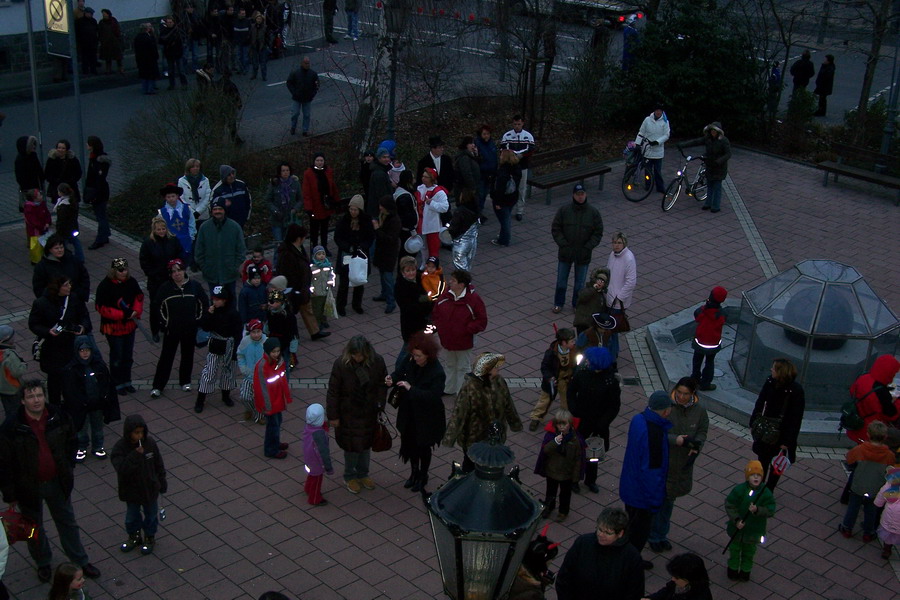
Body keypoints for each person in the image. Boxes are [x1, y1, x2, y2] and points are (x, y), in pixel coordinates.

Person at [0, 380, 101, 583]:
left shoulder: (59, 416)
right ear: (22, 401)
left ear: (44, 396)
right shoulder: (11, 427)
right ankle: (43, 562)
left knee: (67, 523)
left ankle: (80, 560)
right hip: (28, 487)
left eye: (39, 395)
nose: (36, 400)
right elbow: (4, 463)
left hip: (57, 482)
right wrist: (10, 494)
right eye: (30, 396)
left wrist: (68, 465)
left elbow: (72, 441)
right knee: (34, 528)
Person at [648, 378, 709, 553]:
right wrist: (677, 440)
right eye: (679, 392)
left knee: (669, 502)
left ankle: (660, 534)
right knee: (658, 501)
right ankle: (653, 535)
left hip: (681, 464)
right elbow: (656, 432)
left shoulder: (699, 411)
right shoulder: (666, 407)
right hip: (663, 462)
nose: (681, 397)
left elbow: (702, 431)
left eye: (686, 394)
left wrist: (697, 445)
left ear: (693, 394)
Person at [326, 335, 389, 494]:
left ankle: (363, 473)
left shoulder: (377, 362)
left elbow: (382, 384)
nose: (357, 358)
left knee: (366, 445)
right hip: (348, 413)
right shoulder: (341, 365)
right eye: (354, 354)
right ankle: (350, 476)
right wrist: (333, 416)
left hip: (368, 411)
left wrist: (380, 403)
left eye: (360, 355)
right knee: (351, 447)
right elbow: (333, 391)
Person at [619, 390, 673, 570]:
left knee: (630, 526)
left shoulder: (638, 419)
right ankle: (631, 563)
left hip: (630, 486)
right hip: (642, 496)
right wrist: (654, 501)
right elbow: (652, 472)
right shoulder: (655, 433)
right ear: (666, 411)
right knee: (639, 533)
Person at [386, 331, 446, 492]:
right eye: (414, 355)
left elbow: (433, 396)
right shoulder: (410, 360)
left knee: (423, 446)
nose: (415, 358)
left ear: (428, 355)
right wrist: (392, 379)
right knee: (410, 443)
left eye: (419, 356)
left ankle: (423, 475)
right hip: (410, 412)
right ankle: (414, 472)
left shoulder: (437, 372)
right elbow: (399, 373)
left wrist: (411, 389)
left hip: (427, 416)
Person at [443, 352, 522, 471]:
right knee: (470, 467)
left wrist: (515, 423)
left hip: (496, 437)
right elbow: (459, 414)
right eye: (495, 367)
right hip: (474, 439)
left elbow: (508, 404)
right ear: (487, 370)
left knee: (492, 466)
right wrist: (450, 438)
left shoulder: (499, 381)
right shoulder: (469, 388)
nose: (498, 369)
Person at [555, 507, 644, 600]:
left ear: (620, 533)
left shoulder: (632, 558)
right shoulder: (583, 543)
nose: (601, 535)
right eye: (600, 529)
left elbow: (634, 594)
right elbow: (564, 578)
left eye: (607, 532)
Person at [150, 259, 208, 398]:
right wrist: (165, 324)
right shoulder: (165, 288)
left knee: (187, 355)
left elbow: (203, 304)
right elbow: (157, 307)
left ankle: (185, 381)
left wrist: (197, 321)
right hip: (172, 330)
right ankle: (158, 386)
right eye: (173, 271)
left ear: (184, 270)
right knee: (166, 357)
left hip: (189, 329)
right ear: (170, 274)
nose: (177, 274)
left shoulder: (194, 286)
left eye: (179, 270)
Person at [110, 414, 167, 556]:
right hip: (132, 491)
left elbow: (158, 464)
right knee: (132, 516)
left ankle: (149, 537)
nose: (140, 436)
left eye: (142, 432)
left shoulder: (150, 444)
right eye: (136, 433)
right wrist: (135, 455)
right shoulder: (120, 448)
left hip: (149, 488)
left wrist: (162, 481)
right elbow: (122, 469)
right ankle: (134, 536)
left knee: (151, 515)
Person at [28, 276, 90, 406]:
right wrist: (47, 331)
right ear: (57, 287)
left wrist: (82, 327)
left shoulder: (73, 298)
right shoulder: (41, 303)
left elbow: (84, 316)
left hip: (71, 345)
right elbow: (34, 324)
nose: (69, 287)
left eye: (70, 284)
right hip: (52, 349)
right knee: (54, 382)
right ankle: (55, 409)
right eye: (66, 285)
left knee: (71, 380)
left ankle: (72, 406)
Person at [569, 346, 621, 494]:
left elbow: (614, 406)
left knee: (593, 456)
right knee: (577, 452)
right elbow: (571, 391)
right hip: (581, 420)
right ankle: (574, 480)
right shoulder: (582, 373)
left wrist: (603, 423)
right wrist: (574, 409)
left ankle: (590, 480)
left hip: (599, 425)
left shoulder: (611, 381)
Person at [749, 357, 805, 490]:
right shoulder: (770, 382)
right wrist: (754, 419)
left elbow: (795, 418)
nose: (771, 370)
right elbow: (761, 401)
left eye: (774, 368)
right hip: (766, 430)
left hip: (781, 433)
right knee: (763, 460)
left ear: (780, 372)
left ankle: (769, 489)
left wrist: (788, 441)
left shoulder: (795, 391)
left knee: (776, 464)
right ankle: (759, 485)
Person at [431, 269, 488, 396]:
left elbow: (482, 320)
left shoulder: (474, 300)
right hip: (448, 340)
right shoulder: (445, 296)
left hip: (464, 341)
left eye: (453, 280)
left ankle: (462, 392)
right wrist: (441, 327)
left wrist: (467, 330)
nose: (449, 282)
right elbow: (436, 313)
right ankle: (449, 389)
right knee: (450, 364)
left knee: (463, 366)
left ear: (461, 285)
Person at [61, 336, 117, 462]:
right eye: (82, 350)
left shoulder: (98, 365)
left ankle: (98, 447)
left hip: (96, 405)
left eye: (87, 350)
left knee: (98, 427)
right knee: (81, 428)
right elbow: (70, 391)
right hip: (81, 407)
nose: (85, 353)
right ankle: (81, 448)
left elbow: (106, 384)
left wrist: (103, 398)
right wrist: (80, 402)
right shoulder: (71, 369)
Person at [839, 420, 896, 542]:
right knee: (871, 510)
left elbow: (849, 460)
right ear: (885, 437)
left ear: (868, 434)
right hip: (875, 488)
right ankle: (868, 532)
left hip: (858, 485)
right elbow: (890, 471)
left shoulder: (859, 450)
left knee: (853, 507)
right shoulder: (889, 455)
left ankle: (847, 528)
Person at [551, 183, 604, 314]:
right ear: (573, 196)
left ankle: (576, 304)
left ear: (585, 195)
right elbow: (556, 229)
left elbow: (598, 232)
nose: (580, 197)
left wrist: (588, 247)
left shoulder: (593, 213)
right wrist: (563, 244)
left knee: (579, 284)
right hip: (566, 252)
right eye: (578, 195)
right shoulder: (564, 211)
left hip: (583, 254)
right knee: (561, 282)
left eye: (582, 194)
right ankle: (558, 303)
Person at [95, 258, 143, 396]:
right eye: (120, 270)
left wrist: (135, 311)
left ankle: (127, 381)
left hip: (129, 325)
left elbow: (139, 297)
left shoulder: (131, 282)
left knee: (128, 355)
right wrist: (123, 314)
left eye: (125, 269)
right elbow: (102, 308)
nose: (124, 272)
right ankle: (117, 383)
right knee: (117, 356)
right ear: (114, 271)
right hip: (113, 327)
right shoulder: (105, 286)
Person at [277, 224, 330, 341]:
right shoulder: (287, 254)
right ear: (298, 238)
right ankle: (292, 335)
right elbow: (288, 274)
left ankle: (315, 332)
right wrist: (296, 288)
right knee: (290, 313)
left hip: (301, 289)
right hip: (295, 290)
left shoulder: (297, 249)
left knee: (306, 309)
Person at [725, 460, 776, 581]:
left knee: (749, 553)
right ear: (748, 477)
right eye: (753, 475)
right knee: (734, 551)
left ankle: (745, 571)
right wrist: (736, 519)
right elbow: (730, 505)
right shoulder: (739, 490)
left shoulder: (766, 493)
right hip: (737, 530)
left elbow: (771, 510)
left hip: (754, 531)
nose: (756, 477)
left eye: (758, 475)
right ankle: (733, 569)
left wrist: (758, 509)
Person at [195, 285, 242, 413]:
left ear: (225, 300)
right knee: (209, 372)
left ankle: (225, 396)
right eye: (214, 299)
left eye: (218, 299)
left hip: (230, 346)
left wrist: (235, 351)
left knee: (228, 372)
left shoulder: (233, 313)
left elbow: (238, 333)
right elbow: (205, 327)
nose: (215, 302)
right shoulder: (211, 311)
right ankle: (200, 398)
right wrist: (208, 315)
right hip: (215, 344)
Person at [139, 216, 184, 341]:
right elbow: (144, 261)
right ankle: (155, 330)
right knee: (155, 306)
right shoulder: (148, 243)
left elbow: (180, 255)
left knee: (171, 304)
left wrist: (177, 267)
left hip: (171, 279)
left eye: (163, 229)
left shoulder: (173, 240)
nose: (162, 231)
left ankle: (168, 326)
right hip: (156, 281)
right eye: (159, 229)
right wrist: (152, 273)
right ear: (154, 230)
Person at [535, 409, 584, 522]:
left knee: (565, 494)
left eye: (564, 424)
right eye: (559, 424)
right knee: (550, 492)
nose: (561, 427)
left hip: (567, 473)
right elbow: (546, 450)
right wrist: (555, 442)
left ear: (570, 424)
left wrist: (575, 477)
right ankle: (549, 507)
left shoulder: (575, 439)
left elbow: (578, 459)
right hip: (552, 470)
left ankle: (563, 512)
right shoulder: (551, 436)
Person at [194, 196, 247, 300]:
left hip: (229, 274)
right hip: (211, 274)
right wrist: (205, 268)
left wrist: (234, 267)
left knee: (231, 301)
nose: (217, 211)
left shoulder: (235, 227)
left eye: (220, 209)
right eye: (215, 209)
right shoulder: (204, 227)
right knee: (214, 303)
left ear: (224, 210)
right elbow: (199, 250)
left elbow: (241, 250)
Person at [528, 328, 576, 432]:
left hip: (566, 380)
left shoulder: (574, 350)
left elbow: (577, 364)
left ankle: (564, 419)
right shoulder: (551, 353)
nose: (574, 343)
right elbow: (544, 367)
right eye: (572, 341)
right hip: (552, 381)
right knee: (545, 400)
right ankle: (536, 418)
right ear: (564, 342)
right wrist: (550, 377)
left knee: (566, 402)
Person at [334, 195, 375, 316]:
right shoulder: (343, 221)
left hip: (360, 255)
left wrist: (362, 247)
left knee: (359, 280)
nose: (352, 212)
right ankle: (341, 305)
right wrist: (347, 247)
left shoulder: (366, 221)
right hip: (346, 254)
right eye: (351, 209)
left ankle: (357, 304)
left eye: (355, 210)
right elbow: (338, 238)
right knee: (344, 282)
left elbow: (370, 237)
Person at [846, 354, 900, 444]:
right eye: (893, 373)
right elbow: (891, 415)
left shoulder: (863, 377)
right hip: (873, 430)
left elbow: (853, 391)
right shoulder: (881, 392)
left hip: (856, 424)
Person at [680, 122, 732, 213]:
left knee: (717, 186)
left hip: (719, 167)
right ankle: (708, 203)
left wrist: (719, 161)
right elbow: (696, 142)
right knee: (710, 185)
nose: (713, 132)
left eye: (715, 131)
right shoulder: (708, 139)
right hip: (710, 165)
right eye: (712, 130)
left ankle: (716, 206)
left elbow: (728, 154)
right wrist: (683, 145)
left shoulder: (724, 141)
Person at [254, 337, 292, 459]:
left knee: (277, 422)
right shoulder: (263, 366)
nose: (276, 354)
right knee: (273, 426)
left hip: (277, 399)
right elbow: (262, 388)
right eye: (274, 351)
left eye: (278, 351)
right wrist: (268, 406)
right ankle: (271, 450)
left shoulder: (277, 362)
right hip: (270, 402)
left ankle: (274, 443)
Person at [394, 256, 430, 369]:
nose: (411, 273)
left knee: (421, 346)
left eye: (413, 270)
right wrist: (424, 300)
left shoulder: (422, 278)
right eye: (408, 271)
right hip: (411, 325)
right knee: (408, 349)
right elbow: (408, 308)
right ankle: (398, 371)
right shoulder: (400, 286)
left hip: (424, 322)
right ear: (402, 272)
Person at [605, 232, 637, 362]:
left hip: (617, 302)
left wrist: (619, 297)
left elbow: (631, 282)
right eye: (614, 242)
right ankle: (614, 352)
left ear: (624, 244)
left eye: (619, 243)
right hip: (609, 297)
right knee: (613, 330)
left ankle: (612, 358)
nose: (616, 245)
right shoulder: (612, 255)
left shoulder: (629, 258)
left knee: (611, 330)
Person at [32, 234, 90, 302]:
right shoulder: (42, 266)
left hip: (76, 299)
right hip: (54, 302)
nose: (60, 250)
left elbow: (84, 275)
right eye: (56, 248)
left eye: (61, 247)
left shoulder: (72, 259)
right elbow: (38, 287)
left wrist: (82, 294)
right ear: (49, 249)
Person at [690, 286, 727, 391]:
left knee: (697, 361)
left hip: (700, 342)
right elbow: (723, 320)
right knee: (710, 363)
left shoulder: (702, 311)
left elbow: (696, 316)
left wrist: (706, 306)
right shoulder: (722, 314)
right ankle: (705, 384)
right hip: (713, 344)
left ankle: (694, 379)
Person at [501, 115, 535, 221]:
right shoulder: (507, 135)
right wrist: (512, 156)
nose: (517, 126)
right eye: (515, 124)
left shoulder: (528, 136)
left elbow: (531, 149)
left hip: (523, 166)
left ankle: (520, 210)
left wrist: (520, 155)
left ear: (522, 123)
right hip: (510, 166)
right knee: (509, 187)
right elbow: (503, 148)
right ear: (512, 124)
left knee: (521, 188)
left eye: (519, 124)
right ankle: (508, 207)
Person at [302, 153, 338, 250]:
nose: (319, 162)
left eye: (321, 160)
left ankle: (324, 247)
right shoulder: (308, 173)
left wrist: (335, 201)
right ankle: (315, 248)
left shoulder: (328, 171)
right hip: (315, 206)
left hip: (326, 205)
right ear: (314, 161)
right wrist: (308, 207)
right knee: (314, 229)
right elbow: (306, 191)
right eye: (317, 160)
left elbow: (333, 187)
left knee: (325, 228)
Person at [373, 195, 402, 314]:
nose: (380, 208)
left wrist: (377, 229)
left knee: (387, 275)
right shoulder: (385, 216)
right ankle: (384, 294)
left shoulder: (394, 221)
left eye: (382, 206)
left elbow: (389, 239)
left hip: (388, 252)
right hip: (382, 251)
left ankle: (391, 301)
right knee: (382, 273)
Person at [641, 553, 712, 600]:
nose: (673, 579)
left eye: (677, 578)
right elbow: (667, 590)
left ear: (690, 579)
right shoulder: (681, 583)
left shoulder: (700, 597)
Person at [635, 103, 670, 194]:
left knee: (657, 171)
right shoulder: (647, 120)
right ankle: (648, 185)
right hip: (647, 150)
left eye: (660, 110)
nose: (658, 112)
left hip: (658, 151)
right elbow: (641, 132)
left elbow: (666, 135)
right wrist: (637, 144)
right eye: (657, 110)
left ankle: (660, 187)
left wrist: (657, 142)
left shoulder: (665, 122)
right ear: (654, 111)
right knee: (648, 170)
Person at [158, 182, 196, 264]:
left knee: (185, 263)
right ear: (165, 198)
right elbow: (160, 227)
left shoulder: (186, 208)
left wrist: (191, 236)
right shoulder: (162, 212)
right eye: (168, 197)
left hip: (185, 240)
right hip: (170, 242)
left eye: (173, 196)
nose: (171, 199)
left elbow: (191, 223)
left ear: (177, 196)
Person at [416, 167, 450, 259]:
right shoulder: (420, 188)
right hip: (421, 223)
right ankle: (424, 264)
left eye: (426, 177)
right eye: (423, 176)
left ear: (432, 179)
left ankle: (434, 267)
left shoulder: (439, 192)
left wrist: (431, 203)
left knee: (433, 249)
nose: (423, 178)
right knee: (423, 247)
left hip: (432, 225)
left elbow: (445, 207)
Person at [237, 319, 267, 423]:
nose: (256, 334)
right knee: (244, 396)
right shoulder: (245, 341)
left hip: (261, 377)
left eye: (258, 332)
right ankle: (250, 409)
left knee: (260, 397)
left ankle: (260, 415)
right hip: (248, 375)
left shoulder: (266, 342)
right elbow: (240, 355)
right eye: (253, 332)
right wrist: (243, 368)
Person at [303, 403, 334, 506]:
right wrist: (328, 467)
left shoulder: (309, 427)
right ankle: (315, 498)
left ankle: (308, 488)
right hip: (316, 462)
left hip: (308, 457)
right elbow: (323, 453)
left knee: (311, 475)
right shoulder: (319, 435)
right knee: (317, 479)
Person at [491, 148, 522, 247]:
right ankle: (503, 235)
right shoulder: (516, 168)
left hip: (503, 200)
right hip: (512, 197)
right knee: (506, 216)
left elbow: (499, 190)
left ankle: (504, 240)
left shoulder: (503, 172)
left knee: (505, 219)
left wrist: (497, 203)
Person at [448, 189, 480, 271]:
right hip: (472, 241)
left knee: (460, 265)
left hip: (461, 242)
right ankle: (466, 280)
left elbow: (453, 229)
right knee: (468, 263)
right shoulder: (475, 209)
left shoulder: (460, 211)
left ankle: (463, 281)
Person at [52, 182, 84, 264]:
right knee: (75, 242)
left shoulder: (63, 206)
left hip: (64, 229)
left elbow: (61, 220)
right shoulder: (72, 201)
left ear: (61, 192)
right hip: (73, 227)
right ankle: (80, 258)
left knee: (63, 244)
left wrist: (58, 230)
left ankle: (65, 259)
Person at [286, 56, 319, 135]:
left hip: (307, 98)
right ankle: (293, 127)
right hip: (297, 97)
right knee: (295, 114)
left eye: (308, 63)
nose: (307, 65)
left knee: (306, 115)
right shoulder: (296, 73)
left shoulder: (313, 74)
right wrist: (294, 92)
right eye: (306, 63)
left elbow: (317, 85)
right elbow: (289, 83)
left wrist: (312, 94)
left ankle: (305, 130)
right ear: (302, 63)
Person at [177, 158, 212, 230]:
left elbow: (208, 196)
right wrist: (192, 212)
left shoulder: (205, 180)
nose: (195, 168)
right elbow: (181, 197)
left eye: (197, 166)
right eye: (193, 167)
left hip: (203, 214)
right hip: (188, 214)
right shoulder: (181, 181)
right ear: (189, 168)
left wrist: (198, 211)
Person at [0, 326, 26, 420]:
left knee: (7, 406)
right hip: (12, 388)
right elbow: (17, 372)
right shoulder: (9, 355)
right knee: (16, 408)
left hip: (2, 388)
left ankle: (9, 420)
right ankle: (17, 423)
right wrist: (23, 365)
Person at [874, 465, 900, 559]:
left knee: (889, 535)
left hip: (891, 514)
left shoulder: (894, 480)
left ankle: (887, 550)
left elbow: (883, 493)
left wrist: (878, 503)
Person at [573, 267, 609, 334]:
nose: (600, 283)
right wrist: (593, 289)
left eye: (603, 281)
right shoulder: (588, 288)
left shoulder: (602, 295)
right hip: (582, 322)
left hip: (592, 324)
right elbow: (582, 297)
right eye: (599, 280)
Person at [15, 135, 45, 214]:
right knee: (30, 208)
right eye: (32, 145)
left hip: (36, 186)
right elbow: (20, 178)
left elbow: (38, 169)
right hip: (28, 189)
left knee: (39, 206)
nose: (34, 146)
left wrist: (41, 179)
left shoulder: (33, 155)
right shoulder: (20, 160)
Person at [159, 15, 189, 89]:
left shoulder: (177, 30)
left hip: (178, 53)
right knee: (171, 71)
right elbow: (161, 40)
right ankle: (172, 85)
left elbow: (183, 39)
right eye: (168, 22)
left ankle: (184, 84)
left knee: (181, 71)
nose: (170, 23)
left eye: (171, 22)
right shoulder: (164, 31)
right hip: (169, 53)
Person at [23, 189, 52, 265]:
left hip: (43, 228)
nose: (41, 196)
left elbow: (47, 213)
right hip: (35, 231)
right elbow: (33, 221)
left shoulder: (41, 204)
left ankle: (43, 258)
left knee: (44, 244)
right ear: (34, 198)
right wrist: (43, 226)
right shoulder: (29, 208)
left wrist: (48, 222)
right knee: (36, 246)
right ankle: (36, 261)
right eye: (39, 195)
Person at [310, 246, 335, 330]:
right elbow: (310, 280)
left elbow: (331, 276)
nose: (321, 256)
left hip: (325, 291)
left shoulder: (328, 266)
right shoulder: (312, 268)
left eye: (323, 254)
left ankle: (324, 320)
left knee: (325, 307)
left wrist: (330, 283)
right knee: (317, 309)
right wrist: (311, 289)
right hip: (316, 293)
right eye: (319, 254)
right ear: (314, 256)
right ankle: (317, 323)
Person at [475, 125, 498, 214]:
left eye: (488, 134)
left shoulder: (491, 143)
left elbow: (494, 158)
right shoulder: (477, 144)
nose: (486, 136)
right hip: (481, 174)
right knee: (480, 194)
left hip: (490, 173)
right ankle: (478, 212)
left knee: (484, 193)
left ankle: (480, 209)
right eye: (484, 134)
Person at [134, 22, 160, 94]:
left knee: (143, 75)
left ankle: (144, 89)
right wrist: (156, 56)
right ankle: (150, 89)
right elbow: (153, 49)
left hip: (141, 59)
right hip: (150, 59)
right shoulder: (148, 38)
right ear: (147, 29)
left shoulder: (137, 38)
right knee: (151, 75)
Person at [368, 147, 393, 218]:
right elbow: (381, 194)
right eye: (384, 157)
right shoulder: (379, 174)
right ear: (379, 158)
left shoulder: (382, 171)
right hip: (379, 210)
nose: (387, 159)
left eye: (388, 157)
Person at [98, 9, 124, 74]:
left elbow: (117, 30)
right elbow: (100, 32)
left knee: (118, 57)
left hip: (114, 41)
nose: (104, 15)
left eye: (105, 14)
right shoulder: (101, 22)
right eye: (103, 14)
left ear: (108, 14)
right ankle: (108, 69)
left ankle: (120, 68)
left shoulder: (113, 20)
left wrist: (118, 37)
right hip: (106, 42)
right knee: (108, 57)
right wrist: (101, 40)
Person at [75, 7, 99, 76]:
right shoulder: (79, 22)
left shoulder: (93, 21)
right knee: (84, 57)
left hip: (92, 42)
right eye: (89, 13)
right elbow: (77, 32)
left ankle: (93, 69)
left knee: (93, 57)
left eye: (91, 14)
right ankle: (85, 70)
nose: (91, 15)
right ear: (85, 13)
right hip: (84, 43)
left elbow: (96, 30)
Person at [249, 10, 270, 80]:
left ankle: (264, 76)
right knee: (255, 63)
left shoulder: (265, 27)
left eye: (260, 19)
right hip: (254, 47)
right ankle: (254, 75)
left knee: (263, 63)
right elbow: (250, 36)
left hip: (262, 47)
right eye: (258, 19)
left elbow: (267, 37)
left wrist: (266, 44)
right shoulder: (252, 27)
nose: (259, 20)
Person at [232, 7, 251, 73]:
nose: (244, 15)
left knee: (245, 57)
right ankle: (240, 69)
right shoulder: (235, 21)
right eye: (242, 13)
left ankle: (245, 69)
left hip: (245, 42)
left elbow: (250, 32)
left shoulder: (247, 21)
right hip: (238, 42)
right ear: (238, 14)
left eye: (244, 13)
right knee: (238, 57)